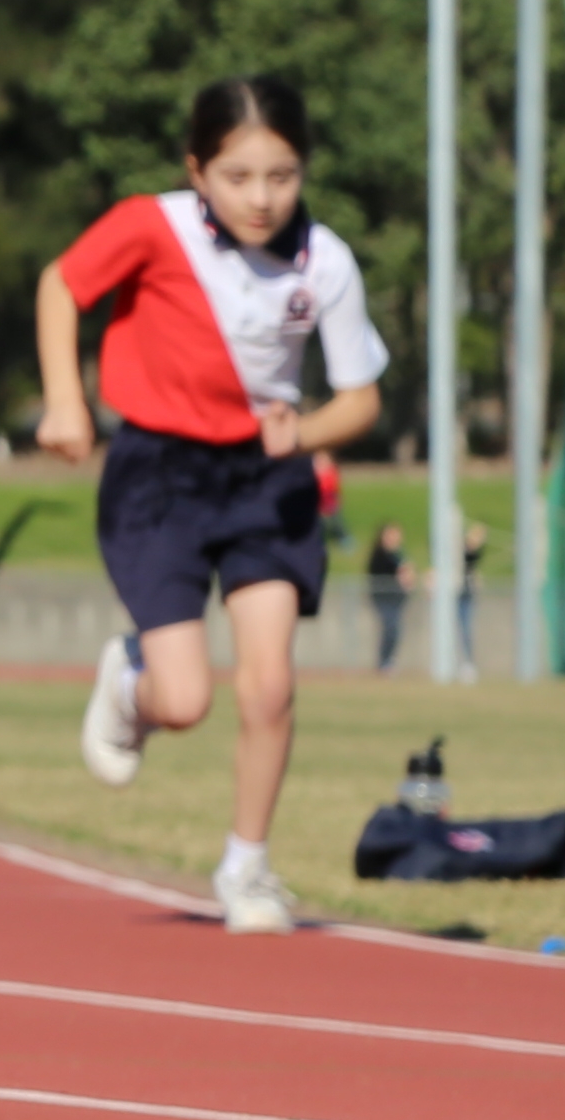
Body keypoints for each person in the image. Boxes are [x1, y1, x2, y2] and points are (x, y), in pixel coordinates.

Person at [38, 74, 385, 937]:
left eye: (282, 175)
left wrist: (301, 437)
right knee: (187, 701)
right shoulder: (150, 227)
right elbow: (60, 286)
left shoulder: (326, 263)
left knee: (269, 686)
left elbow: (360, 398)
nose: (261, 198)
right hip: (160, 473)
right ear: (198, 169)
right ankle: (132, 687)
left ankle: (249, 866)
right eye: (237, 177)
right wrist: (65, 401)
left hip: (268, 480)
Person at [365, 514, 411, 671]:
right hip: (383, 599)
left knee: (394, 629)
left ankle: (388, 661)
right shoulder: (380, 554)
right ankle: (384, 662)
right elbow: (390, 567)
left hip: (395, 600)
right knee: (390, 627)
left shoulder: (398, 555)